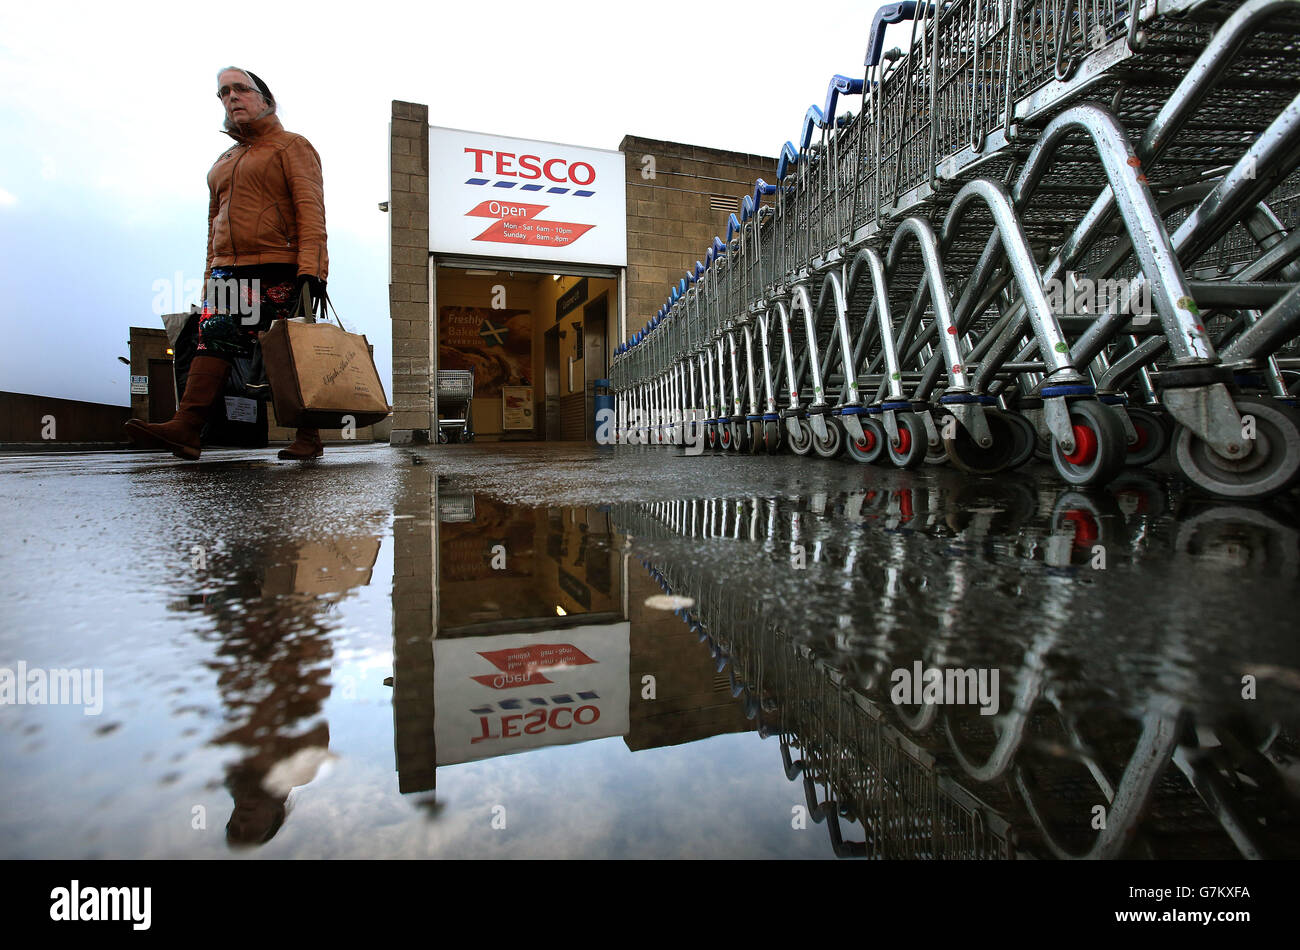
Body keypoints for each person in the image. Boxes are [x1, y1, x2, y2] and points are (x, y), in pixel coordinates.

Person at [126, 67, 329, 461]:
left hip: (278, 264)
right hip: (227, 269)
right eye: (223, 92)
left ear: (264, 100)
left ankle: (309, 436)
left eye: (240, 89)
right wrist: (208, 280)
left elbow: (310, 210)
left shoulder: (291, 146)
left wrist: (312, 270)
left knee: (285, 351)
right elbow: (212, 226)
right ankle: (187, 428)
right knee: (213, 337)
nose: (231, 97)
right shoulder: (224, 160)